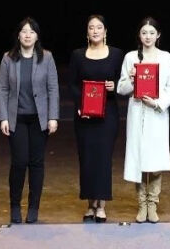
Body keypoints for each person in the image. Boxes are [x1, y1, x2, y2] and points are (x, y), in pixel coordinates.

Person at [0, 17, 60, 224]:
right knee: (19, 162)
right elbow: (3, 89)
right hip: (16, 118)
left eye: (31, 32)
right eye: (24, 31)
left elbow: (53, 88)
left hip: (39, 119)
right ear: (18, 35)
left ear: (37, 36)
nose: (27, 35)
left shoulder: (46, 57)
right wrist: (3, 117)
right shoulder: (8, 58)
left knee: (36, 163)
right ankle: (15, 206)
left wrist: (53, 116)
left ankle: (34, 208)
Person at [117, 16, 170, 223]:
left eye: (152, 33)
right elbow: (121, 88)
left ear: (158, 35)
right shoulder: (131, 57)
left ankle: (153, 203)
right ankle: (141, 203)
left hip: (156, 113)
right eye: (144, 33)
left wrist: (158, 103)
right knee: (138, 159)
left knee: (155, 159)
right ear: (139, 35)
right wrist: (132, 80)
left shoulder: (165, 57)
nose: (148, 36)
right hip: (137, 112)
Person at [68, 14, 124, 223]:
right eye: (91, 27)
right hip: (84, 115)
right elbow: (72, 84)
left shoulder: (116, 54)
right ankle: (90, 204)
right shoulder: (77, 55)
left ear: (105, 31)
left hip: (107, 115)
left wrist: (114, 86)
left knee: (103, 159)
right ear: (87, 32)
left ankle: (101, 206)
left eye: (99, 27)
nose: (95, 31)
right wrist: (81, 105)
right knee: (87, 159)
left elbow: (124, 81)